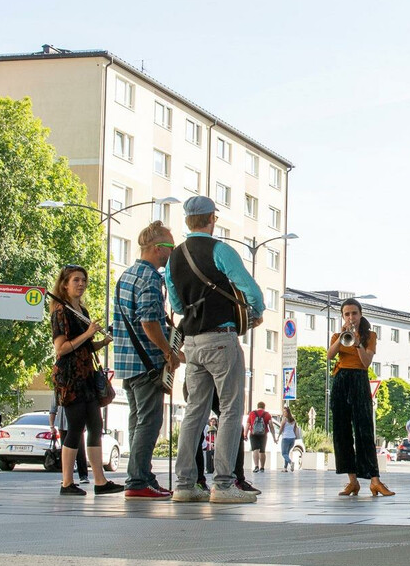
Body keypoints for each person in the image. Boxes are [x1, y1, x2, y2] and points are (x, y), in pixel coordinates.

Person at [166, 195, 264, 504]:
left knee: (194, 412)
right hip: (221, 339)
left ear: (186, 221)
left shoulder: (174, 257)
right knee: (231, 410)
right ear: (213, 219)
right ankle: (223, 484)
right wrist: (256, 311)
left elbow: (178, 305)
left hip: (192, 343)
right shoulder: (220, 250)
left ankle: (184, 484)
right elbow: (250, 288)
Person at [113, 220, 181, 501]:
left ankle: (143, 476)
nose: (172, 252)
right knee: (149, 423)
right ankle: (138, 480)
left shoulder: (126, 276)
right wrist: (169, 351)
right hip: (147, 363)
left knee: (136, 421)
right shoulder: (151, 278)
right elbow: (149, 322)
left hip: (127, 363)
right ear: (156, 248)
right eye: (170, 247)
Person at [49, 264, 124, 497]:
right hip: (70, 376)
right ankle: (66, 482)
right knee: (75, 428)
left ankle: (100, 480)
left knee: (95, 425)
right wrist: (88, 333)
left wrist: (101, 342)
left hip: (86, 374)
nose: (81, 284)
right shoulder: (60, 311)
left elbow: (84, 347)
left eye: (83, 280)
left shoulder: (81, 310)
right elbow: (61, 349)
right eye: (75, 280)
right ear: (64, 284)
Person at [326, 298, 394, 497]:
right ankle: (352, 481)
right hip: (340, 380)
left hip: (359, 379)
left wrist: (357, 343)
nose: (350, 317)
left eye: (354, 313)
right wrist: (342, 337)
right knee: (341, 432)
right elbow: (330, 356)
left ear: (360, 314)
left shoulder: (369, 336)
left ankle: (375, 480)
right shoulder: (338, 336)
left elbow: (365, 363)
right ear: (343, 316)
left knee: (364, 430)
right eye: (346, 314)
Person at [48, 395, 88, 484]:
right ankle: (66, 476)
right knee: (65, 451)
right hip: (63, 424)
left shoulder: (75, 387)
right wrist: (52, 426)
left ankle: (83, 475)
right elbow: (52, 410)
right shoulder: (58, 390)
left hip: (76, 424)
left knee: (80, 450)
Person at [247, 402, 276, 473]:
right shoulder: (267, 414)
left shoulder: (252, 413)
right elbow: (271, 426)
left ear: (257, 406)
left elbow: (247, 425)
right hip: (263, 434)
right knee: (262, 451)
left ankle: (256, 466)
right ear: (264, 407)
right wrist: (274, 437)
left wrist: (245, 434)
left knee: (255, 450)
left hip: (253, 434)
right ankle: (262, 467)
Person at [279, 405, 301, 472]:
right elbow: (294, 430)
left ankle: (291, 462)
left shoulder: (284, 419)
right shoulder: (293, 420)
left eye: (284, 412)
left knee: (284, 453)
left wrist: (277, 436)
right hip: (292, 438)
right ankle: (285, 468)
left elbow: (281, 429)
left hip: (286, 438)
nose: (283, 413)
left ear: (287, 413)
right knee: (287, 453)